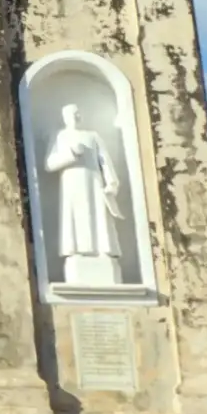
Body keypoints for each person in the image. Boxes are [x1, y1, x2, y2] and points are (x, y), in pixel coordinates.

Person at [44, 102, 125, 282]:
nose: (76, 116)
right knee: (75, 218)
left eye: (78, 113)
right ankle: (77, 253)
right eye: (72, 113)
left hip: (94, 180)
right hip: (72, 182)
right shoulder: (60, 136)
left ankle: (103, 251)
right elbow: (49, 164)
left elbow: (104, 160)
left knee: (99, 216)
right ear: (65, 117)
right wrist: (71, 154)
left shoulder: (92, 136)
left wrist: (111, 182)